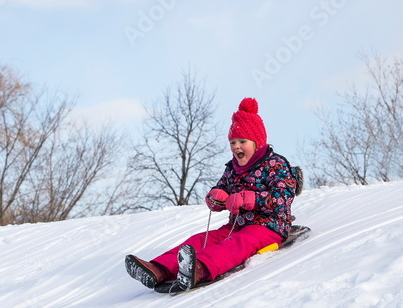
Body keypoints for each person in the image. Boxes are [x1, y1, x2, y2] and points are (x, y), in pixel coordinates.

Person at [125, 97, 297, 292]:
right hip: (236, 225)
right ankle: (160, 268)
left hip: (268, 227)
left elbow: (283, 198)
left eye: (242, 141)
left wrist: (249, 199)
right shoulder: (232, 169)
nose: (236, 147)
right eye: (232, 142)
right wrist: (216, 198)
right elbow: (221, 189)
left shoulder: (275, 164)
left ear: (257, 142)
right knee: (201, 239)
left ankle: (198, 268)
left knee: (236, 244)